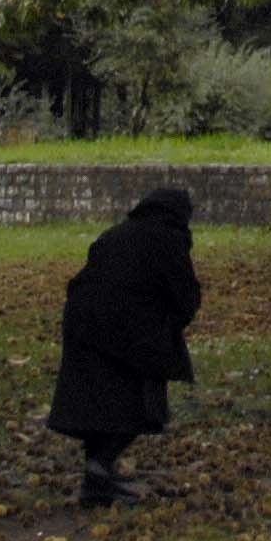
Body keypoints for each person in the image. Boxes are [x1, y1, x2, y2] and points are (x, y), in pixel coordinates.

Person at [49, 185, 199, 505]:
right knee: (137, 404)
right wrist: (169, 328)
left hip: (84, 323)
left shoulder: (116, 234)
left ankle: (98, 472)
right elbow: (186, 296)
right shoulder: (167, 240)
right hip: (125, 332)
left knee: (97, 403)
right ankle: (99, 475)